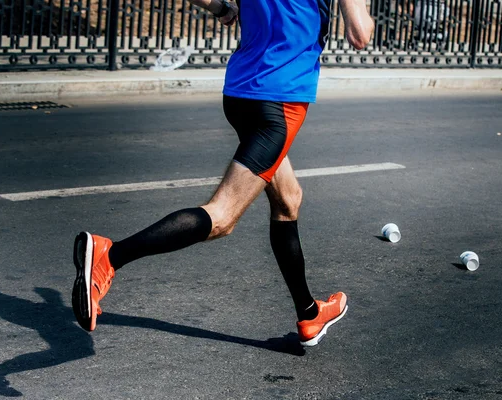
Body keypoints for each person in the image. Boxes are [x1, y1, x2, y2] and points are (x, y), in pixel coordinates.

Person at [72, 0, 374, 347]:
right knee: (222, 216)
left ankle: (309, 314)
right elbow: (360, 34)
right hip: (279, 101)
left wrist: (219, 8)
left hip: (240, 93)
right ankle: (108, 257)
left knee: (288, 199)